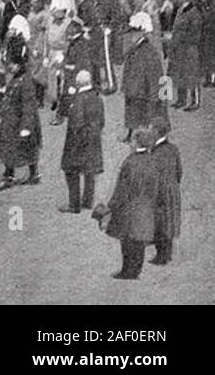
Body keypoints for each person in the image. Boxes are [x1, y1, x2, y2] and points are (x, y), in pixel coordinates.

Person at [98, 128, 159, 279]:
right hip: (146, 208)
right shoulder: (153, 160)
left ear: (137, 143)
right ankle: (136, 270)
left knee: (126, 242)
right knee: (139, 240)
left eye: (132, 140)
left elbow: (121, 189)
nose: (130, 143)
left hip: (129, 208)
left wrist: (111, 206)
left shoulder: (130, 162)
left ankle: (127, 271)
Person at [0, 27, 41, 190]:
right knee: (19, 149)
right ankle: (28, 173)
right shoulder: (16, 78)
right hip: (12, 120)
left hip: (20, 121)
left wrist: (26, 126)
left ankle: (11, 175)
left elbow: (28, 106)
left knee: (19, 148)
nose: (10, 67)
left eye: (12, 64)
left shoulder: (25, 82)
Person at [58, 70, 104, 214]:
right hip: (94, 139)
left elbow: (76, 123)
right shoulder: (97, 98)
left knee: (71, 171)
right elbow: (102, 121)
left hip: (78, 141)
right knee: (90, 171)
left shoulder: (78, 99)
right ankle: (88, 201)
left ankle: (74, 204)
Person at [122, 12, 166, 141]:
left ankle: (145, 136)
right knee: (132, 112)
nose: (130, 36)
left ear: (142, 32)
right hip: (134, 90)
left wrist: (157, 97)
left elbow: (156, 78)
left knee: (145, 115)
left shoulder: (149, 52)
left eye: (134, 32)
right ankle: (131, 134)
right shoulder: (134, 49)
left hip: (143, 92)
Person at [149, 121, 181, 265]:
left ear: (156, 131)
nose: (149, 132)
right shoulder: (173, 148)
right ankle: (166, 253)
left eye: (151, 129)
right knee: (168, 222)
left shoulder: (157, 152)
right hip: (172, 189)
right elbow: (179, 172)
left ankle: (162, 255)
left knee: (160, 223)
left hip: (161, 191)